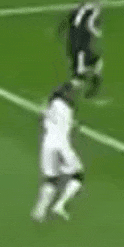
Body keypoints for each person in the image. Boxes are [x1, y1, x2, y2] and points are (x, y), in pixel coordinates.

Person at [31, 83, 84, 221]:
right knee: (78, 175)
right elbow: (72, 126)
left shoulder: (50, 106)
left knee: (51, 179)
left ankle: (39, 211)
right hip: (62, 146)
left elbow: (41, 116)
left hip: (47, 146)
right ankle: (59, 205)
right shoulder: (68, 109)